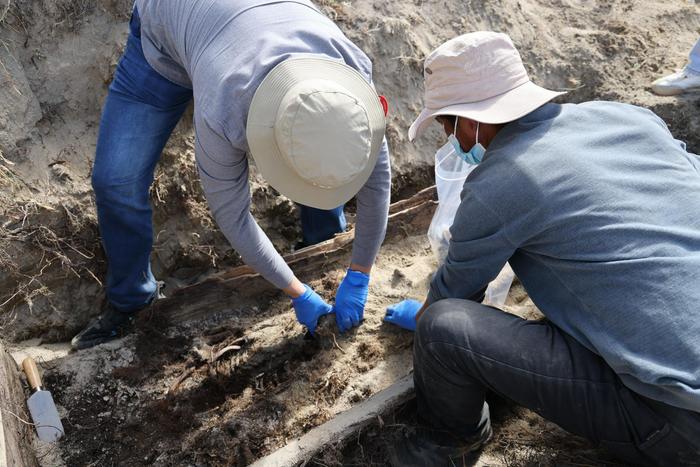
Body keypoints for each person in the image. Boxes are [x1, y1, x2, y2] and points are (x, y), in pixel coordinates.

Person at [384, 32, 700, 466]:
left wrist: (421, 319)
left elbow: (455, 293)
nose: (449, 139)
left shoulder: (501, 180)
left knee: (443, 328)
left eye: (445, 125)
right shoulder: (627, 118)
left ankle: (448, 444)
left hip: (678, 419)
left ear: (470, 122)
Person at [71, 0, 391, 350]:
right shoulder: (223, 110)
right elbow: (232, 215)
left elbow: (377, 183)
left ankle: (323, 243)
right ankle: (131, 303)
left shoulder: (352, 79)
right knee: (116, 180)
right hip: (165, 37)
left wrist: (360, 273)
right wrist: (296, 292)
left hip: (260, 23)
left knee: (316, 155)